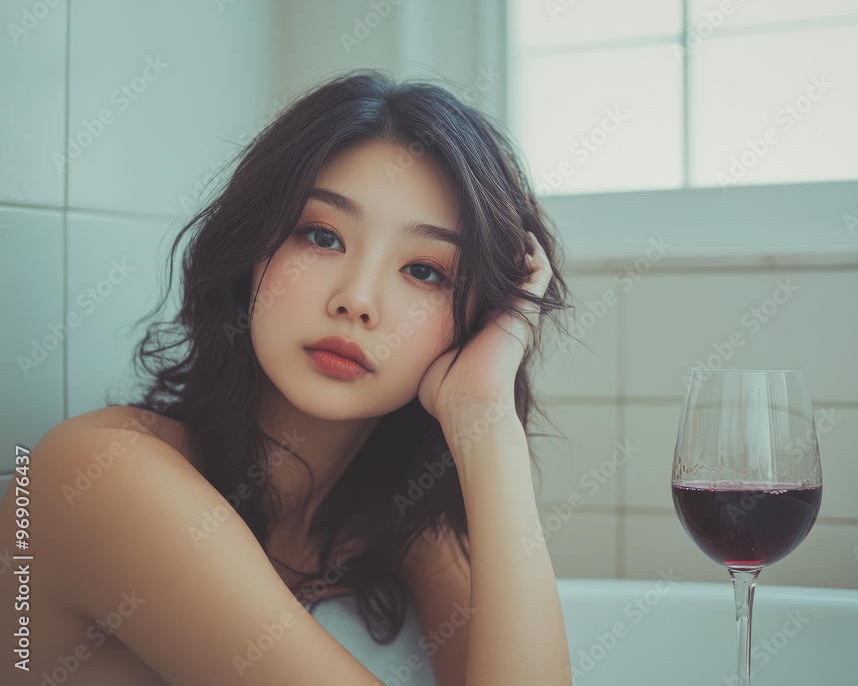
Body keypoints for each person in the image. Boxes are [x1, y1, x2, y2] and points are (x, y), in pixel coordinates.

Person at [0, 68, 576, 685]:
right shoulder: (98, 477)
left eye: (425, 271)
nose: (357, 300)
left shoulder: (398, 530)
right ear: (251, 248)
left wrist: (483, 416)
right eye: (322, 236)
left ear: (477, 320)